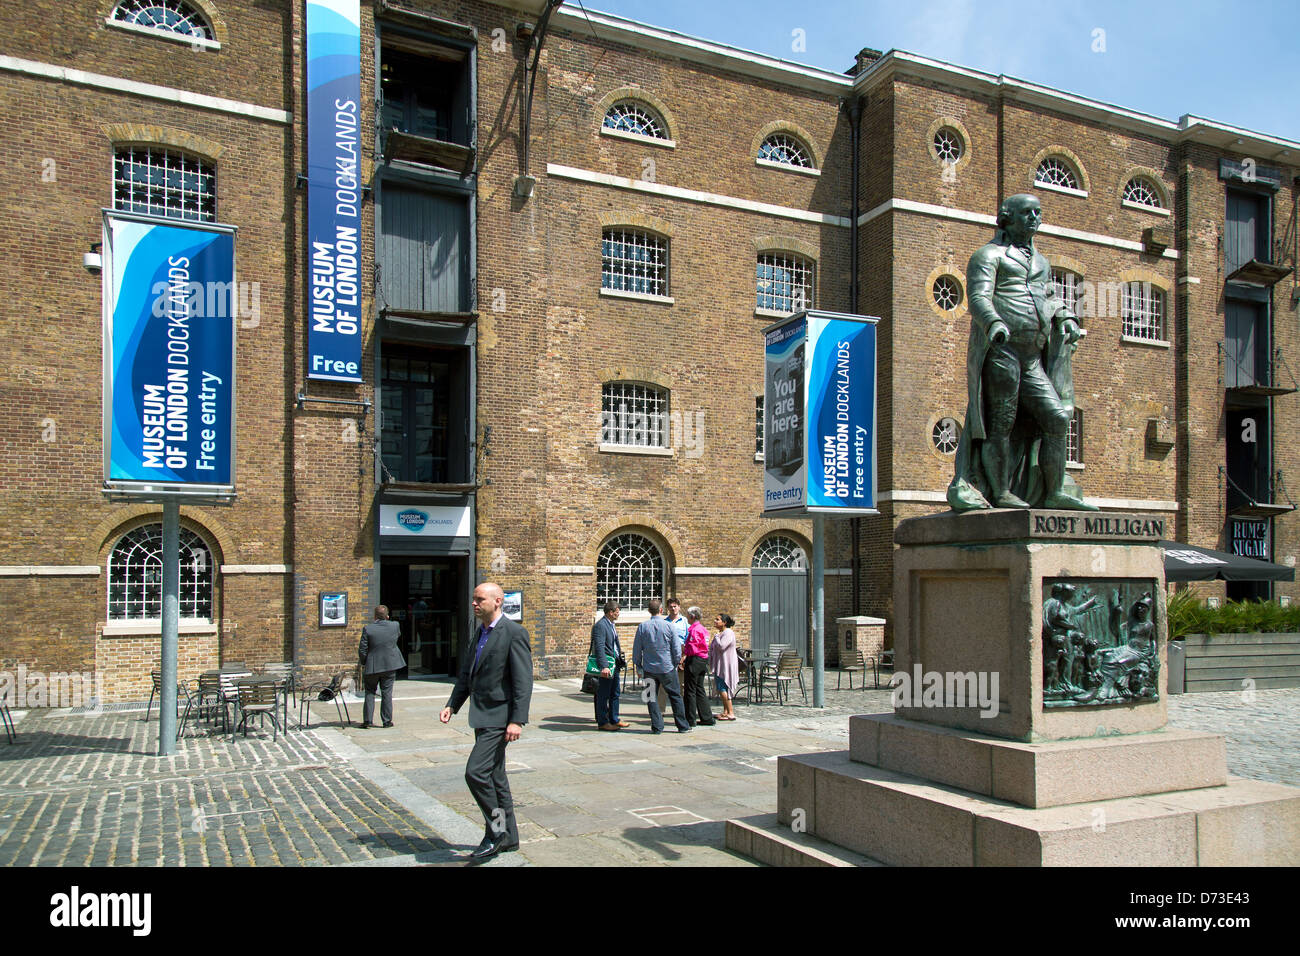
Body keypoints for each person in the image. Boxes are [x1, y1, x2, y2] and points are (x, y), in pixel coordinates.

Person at [947, 193, 1097, 512]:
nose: (1034, 218)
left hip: (1031, 356)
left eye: (1038, 213)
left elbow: (1049, 297)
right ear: (1007, 218)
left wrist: (1065, 315)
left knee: (1057, 418)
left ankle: (1054, 491)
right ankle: (1001, 492)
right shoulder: (988, 255)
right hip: (1001, 352)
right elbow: (978, 297)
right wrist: (994, 323)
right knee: (1001, 424)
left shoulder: (1041, 262)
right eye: (1027, 213)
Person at [440, 582, 533, 861]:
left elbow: (522, 681)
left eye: (480, 599)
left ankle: (496, 832)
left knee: (475, 773)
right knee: (495, 776)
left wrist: (517, 720)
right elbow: (468, 675)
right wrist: (452, 705)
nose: (474, 603)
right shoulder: (478, 633)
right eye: (474, 599)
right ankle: (510, 837)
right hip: (481, 716)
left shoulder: (514, 633)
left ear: (498, 601)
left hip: (499, 718)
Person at [632, 597, 690, 734]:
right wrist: (675, 662)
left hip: (649, 669)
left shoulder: (642, 627)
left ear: (648, 611)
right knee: (675, 696)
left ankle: (657, 726)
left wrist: (638, 666)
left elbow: (636, 649)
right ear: (661, 610)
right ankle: (682, 726)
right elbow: (676, 648)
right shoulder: (669, 626)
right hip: (667, 668)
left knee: (650, 697)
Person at [358, 605, 405, 729]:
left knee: (369, 692)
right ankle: (387, 721)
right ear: (387, 616)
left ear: (374, 616)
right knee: (387, 693)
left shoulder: (368, 629)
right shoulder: (395, 626)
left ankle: (368, 720)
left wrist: (364, 662)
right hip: (390, 664)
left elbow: (362, 649)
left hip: (373, 665)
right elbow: (397, 636)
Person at [591, 600, 627, 731]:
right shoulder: (600, 625)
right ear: (610, 612)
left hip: (614, 663)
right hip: (607, 666)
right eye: (617, 612)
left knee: (615, 693)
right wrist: (604, 666)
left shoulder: (611, 624)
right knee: (603, 694)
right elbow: (599, 647)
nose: (618, 614)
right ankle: (603, 722)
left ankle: (614, 718)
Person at [680, 606, 715, 725]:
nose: (687, 618)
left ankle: (690, 719)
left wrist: (684, 652)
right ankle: (707, 717)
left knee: (689, 689)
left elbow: (692, 646)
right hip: (703, 659)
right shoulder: (703, 629)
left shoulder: (694, 630)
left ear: (692, 616)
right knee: (699, 688)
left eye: (688, 615)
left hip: (694, 659)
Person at [709, 613, 739, 721]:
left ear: (724, 622)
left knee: (723, 687)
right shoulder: (722, 633)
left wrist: (716, 637)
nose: (715, 621)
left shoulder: (728, 633)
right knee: (721, 687)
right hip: (719, 664)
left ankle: (731, 712)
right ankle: (725, 711)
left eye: (718, 619)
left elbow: (722, 646)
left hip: (725, 665)